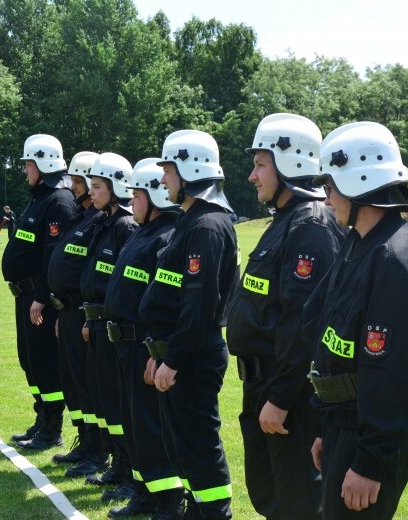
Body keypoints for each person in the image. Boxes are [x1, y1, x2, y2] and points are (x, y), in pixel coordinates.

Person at [307, 122, 408, 519]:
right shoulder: (359, 244)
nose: (326, 200)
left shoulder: (395, 259)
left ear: (357, 181)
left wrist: (370, 463)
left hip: (369, 434)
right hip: (344, 423)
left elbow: (393, 372)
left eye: (329, 188)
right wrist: (324, 428)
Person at [226, 114, 344, 520]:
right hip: (262, 384)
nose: (251, 176)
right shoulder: (285, 221)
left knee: (297, 503)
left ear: (291, 162)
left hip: (287, 394)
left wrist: (279, 397)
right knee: (269, 496)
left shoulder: (311, 225)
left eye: (260, 164)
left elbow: (302, 325)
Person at [139, 129, 238, 520]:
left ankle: (214, 513)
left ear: (190, 169)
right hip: (177, 352)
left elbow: (198, 307)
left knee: (198, 443)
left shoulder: (207, 226)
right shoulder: (190, 221)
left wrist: (173, 359)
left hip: (194, 357)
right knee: (182, 444)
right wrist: (156, 350)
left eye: (168, 169)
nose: (163, 179)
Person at [103, 158, 183, 519]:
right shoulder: (142, 232)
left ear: (155, 198)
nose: (131, 201)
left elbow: (166, 302)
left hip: (142, 347)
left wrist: (156, 348)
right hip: (124, 344)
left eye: (136, 195)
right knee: (135, 426)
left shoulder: (166, 236)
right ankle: (143, 493)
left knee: (151, 428)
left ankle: (168, 501)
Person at [2, 134, 80, 450]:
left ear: (43, 163)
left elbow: (55, 256)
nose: (25, 171)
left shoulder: (59, 202)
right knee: (30, 361)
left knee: (45, 363)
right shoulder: (39, 198)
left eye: (28, 164)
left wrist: (42, 297)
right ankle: (41, 420)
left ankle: (52, 429)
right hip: (26, 296)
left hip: (39, 298)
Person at [78, 152, 139, 501]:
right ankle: (119, 462)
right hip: (98, 323)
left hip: (112, 325)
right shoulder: (105, 222)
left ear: (116, 188)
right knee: (106, 401)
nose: (92, 192)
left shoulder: (125, 226)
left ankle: (129, 467)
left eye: (98, 187)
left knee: (118, 402)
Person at [46, 151, 108, 474]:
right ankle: (85, 443)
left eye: (78, 180)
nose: (71, 185)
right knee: (73, 383)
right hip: (67, 313)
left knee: (87, 386)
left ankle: (97, 452)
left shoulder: (99, 221)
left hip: (80, 314)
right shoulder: (81, 218)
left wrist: (84, 314)